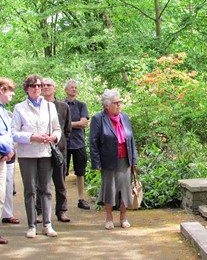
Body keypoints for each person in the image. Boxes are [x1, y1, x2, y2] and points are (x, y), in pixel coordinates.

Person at [12, 75, 61, 238]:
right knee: (30, 190)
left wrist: (53, 137)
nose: (37, 88)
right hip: (27, 154)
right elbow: (14, 133)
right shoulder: (19, 108)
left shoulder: (49, 107)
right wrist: (32, 137)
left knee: (46, 189)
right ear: (27, 88)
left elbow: (57, 129)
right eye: (33, 86)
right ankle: (32, 225)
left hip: (46, 153)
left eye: (39, 85)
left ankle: (47, 224)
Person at [89, 89, 138, 230]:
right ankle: (109, 217)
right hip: (107, 159)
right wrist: (96, 162)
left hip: (124, 159)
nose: (119, 105)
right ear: (107, 105)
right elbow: (93, 142)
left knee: (124, 189)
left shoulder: (125, 117)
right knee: (109, 188)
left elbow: (131, 139)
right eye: (116, 103)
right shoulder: (98, 118)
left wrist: (134, 158)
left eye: (119, 102)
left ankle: (123, 217)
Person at [36, 78, 72, 223]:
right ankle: (39, 212)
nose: (45, 87)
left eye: (48, 85)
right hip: (41, 150)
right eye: (42, 85)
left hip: (59, 150)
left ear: (54, 88)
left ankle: (61, 211)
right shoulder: (37, 106)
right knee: (41, 184)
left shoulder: (64, 107)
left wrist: (59, 141)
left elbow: (67, 130)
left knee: (60, 183)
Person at [64, 79, 90, 210]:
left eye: (75, 87)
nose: (74, 89)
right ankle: (62, 200)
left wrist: (68, 124)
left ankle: (81, 198)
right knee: (62, 172)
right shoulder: (61, 105)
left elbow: (84, 123)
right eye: (71, 87)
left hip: (79, 143)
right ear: (66, 90)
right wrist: (76, 123)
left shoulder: (81, 105)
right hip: (64, 144)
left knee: (80, 172)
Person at [0, 77, 17, 244]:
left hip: (4, 158)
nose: (12, 94)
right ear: (1, 90)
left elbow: (8, 134)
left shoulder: (4, 110)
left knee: (2, 196)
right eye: (10, 90)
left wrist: (10, 150)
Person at [2, 111, 20, 225]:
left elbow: (15, 136)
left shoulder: (7, 114)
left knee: (8, 186)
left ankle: (7, 214)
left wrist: (9, 150)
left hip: (8, 156)